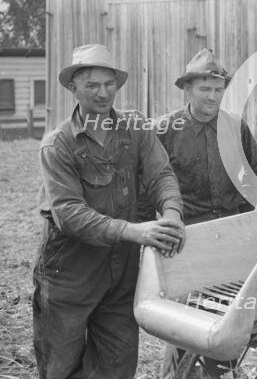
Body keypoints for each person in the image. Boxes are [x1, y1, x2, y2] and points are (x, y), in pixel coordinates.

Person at [34, 44, 185, 379]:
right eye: (92, 86)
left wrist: (171, 213)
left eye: (109, 84)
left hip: (121, 274)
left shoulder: (136, 129)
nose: (103, 93)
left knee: (117, 365)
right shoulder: (58, 145)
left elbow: (161, 175)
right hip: (69, 274)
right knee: (61, 366)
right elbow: (69, 214)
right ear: (73, 88)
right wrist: (135, 231)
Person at [153, 49, 257, 378]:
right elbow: (152, 191)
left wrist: (250, 235)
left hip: (230, 243)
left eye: (218, 89)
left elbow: (252, 187)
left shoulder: (236, 128)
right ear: (187, 89)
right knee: (185, 327)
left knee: (227, 325)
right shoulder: (165, 131)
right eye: (204, 89)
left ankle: (221, 372)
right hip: (186, 246)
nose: (212, 96)